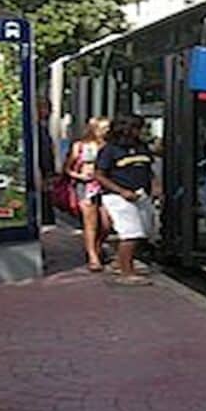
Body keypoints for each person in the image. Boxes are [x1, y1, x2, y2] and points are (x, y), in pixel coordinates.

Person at [94, 115, 155, 286]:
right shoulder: (110, 150)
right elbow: (99, 175)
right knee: (131, 232)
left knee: (144, 230)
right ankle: (126, 273)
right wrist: (121, 191)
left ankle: (121, 261)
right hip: (118, 196)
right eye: (138, 128)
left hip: (141, 194)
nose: (141, 131)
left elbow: (149, 169)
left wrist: (156, 186)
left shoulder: (142, 147)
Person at [63, 117, 110, 272]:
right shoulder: (80, 146)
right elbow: (67, 168)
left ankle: (96, 247)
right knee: (91, 223)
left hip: (105, 186)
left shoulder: (109, 146)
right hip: (86, 186)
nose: (107, 131)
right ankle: (92, 256)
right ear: (94, 129)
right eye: (104, 128)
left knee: (106, 224)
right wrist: (79, 176)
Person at [36, 98, 56, 226]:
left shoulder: (41, 128)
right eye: (45, 108)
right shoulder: (37, 129)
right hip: (41, 171)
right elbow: (43, 152)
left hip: (44, 171)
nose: (49, 112)